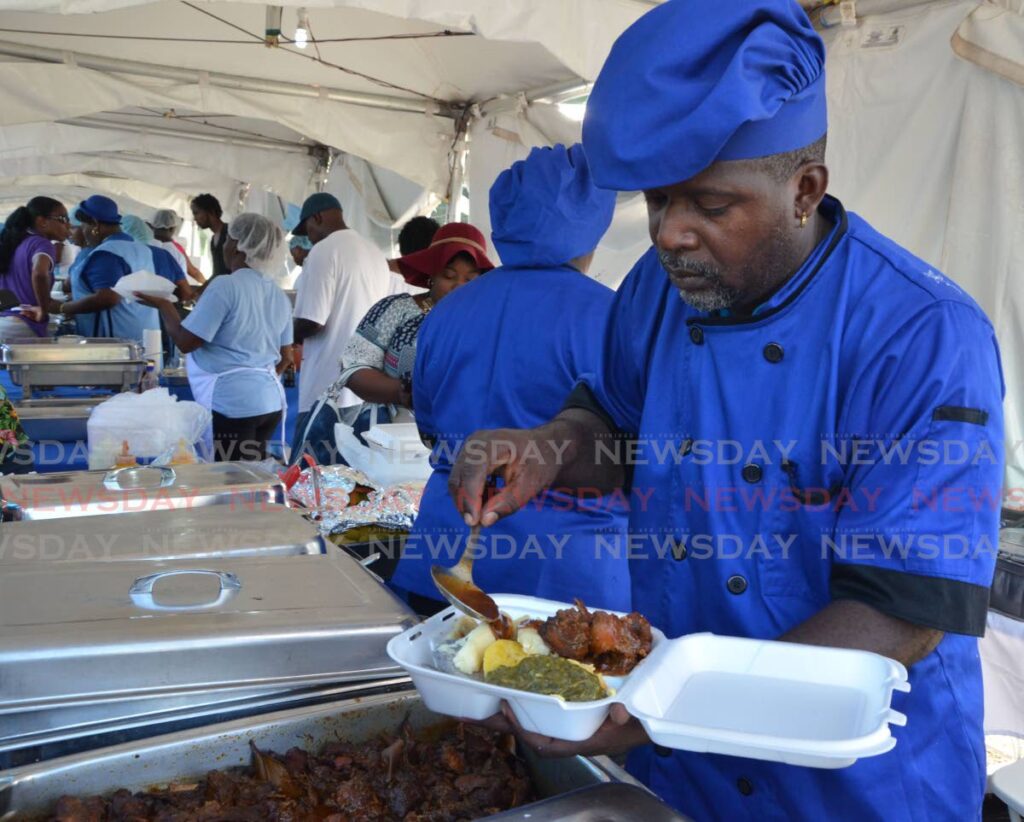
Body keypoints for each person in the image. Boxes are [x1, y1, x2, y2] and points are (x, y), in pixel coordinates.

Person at [449, 2, 1004, 820]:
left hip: (858, 784)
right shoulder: (657, 288)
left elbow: (902, 612)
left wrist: (661, 708)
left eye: (709, 206)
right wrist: (548, 447)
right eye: (655, 201)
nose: (671, 234)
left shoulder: (925, 335)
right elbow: (609, 423)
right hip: (687, 776)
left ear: (804, 190)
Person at [391, 144, 630, 615]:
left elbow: (428, 425)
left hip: (447, 546)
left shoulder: (445, 312)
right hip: (565, 570)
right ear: (595, 223)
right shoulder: (614, 317)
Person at [136, 213, 292, 462]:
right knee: (253, 476)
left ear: (240, 247)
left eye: (229, 241)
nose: (225, 248)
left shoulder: (225, 285)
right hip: (270, 402)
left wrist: (165, 307)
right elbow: (286, 357)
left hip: (233, 403)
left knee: (230, 479)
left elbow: (186, 342)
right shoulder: (277, 294)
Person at [339, 221, 493, 412]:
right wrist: (401, 392)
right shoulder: (396, 309)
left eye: (469, 279)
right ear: (432, 275)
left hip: (467, 434)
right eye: (449, 275)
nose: (459, 286)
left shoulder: (491, 322)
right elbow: (353, 367)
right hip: (391, 433)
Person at [290, 192, 398, 459]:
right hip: (366, 389)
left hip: (326, 387)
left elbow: (312, 321)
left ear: (318, 217)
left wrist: (278, 335)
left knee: (310, 481)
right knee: (353, 485)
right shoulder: (374, 253)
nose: (310, 236)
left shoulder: (323, 251)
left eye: (309, 229)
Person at [49, 195, 191, 343]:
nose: (83, 232)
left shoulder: (106, 253)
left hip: (112, 344)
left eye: (84, 226)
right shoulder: (141, 249)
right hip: (143, 336)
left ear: (95, 225)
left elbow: (108, 297)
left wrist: (62, 307)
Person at [0, 196, 69, 339]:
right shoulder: (42, 244)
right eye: (63, 219)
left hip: (5, 321)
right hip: (23, 325)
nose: (68, 225)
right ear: (42, 221)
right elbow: (39, 273)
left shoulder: (13, 243)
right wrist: (44, 309)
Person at [148, 209, 206, 286]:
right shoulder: (177, 250)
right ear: (173, 228)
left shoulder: (144, 246)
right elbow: (193, 272)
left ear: (153, 226)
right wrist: (206, 284)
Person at [190, 193, 229, 282]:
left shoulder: (229, 233)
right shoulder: (213, 240)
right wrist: (197, 293)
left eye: (196, 213)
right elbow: (217, 273)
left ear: (210, 211)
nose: (195, 218)